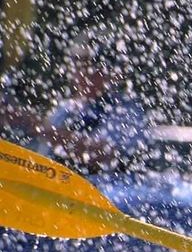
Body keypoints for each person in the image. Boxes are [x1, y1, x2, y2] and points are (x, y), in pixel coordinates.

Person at [0, 30, 148, 174]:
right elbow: (40, 163)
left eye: (88, 64)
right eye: (76, 63)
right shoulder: (66, 109)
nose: (80, 72)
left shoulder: (127, 109)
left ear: (113, 73)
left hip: (113, 193)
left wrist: (35, 125)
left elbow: (103, 155)